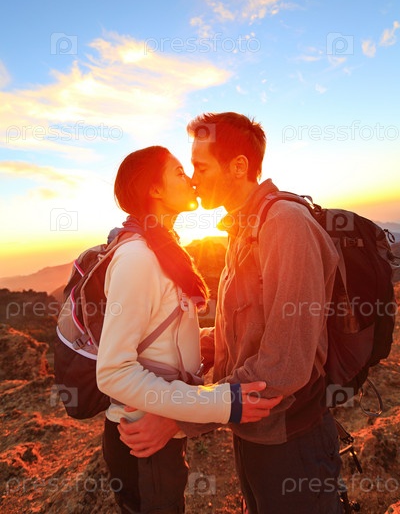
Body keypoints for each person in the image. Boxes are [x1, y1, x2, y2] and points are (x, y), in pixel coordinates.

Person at [118, 115, 343, 513]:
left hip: (291, 441)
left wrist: (178, 418)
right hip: (253, 434)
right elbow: (241, 331)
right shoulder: (242, 229)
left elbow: (284, 366)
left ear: (239, 166)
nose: (193, 179)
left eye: (201, 167)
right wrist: (178, 351)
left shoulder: (284, 225)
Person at [96, 145, 282, 514]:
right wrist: (221, 403)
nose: (192, 181)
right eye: (180, 172)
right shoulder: (138, 259)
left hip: (155, 429)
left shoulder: (163, 249)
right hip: (139, 439)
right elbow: (113, 372)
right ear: (155, 190)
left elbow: (165, 341)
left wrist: (220, 341)